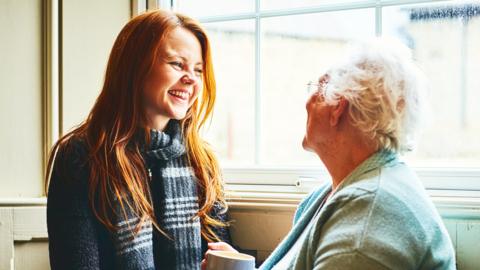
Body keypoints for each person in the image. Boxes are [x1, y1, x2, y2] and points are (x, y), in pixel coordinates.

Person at [203, 38, 456, 269]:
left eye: (317, 86)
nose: (307, 101)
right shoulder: (348, 189)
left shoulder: (368, 216)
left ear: (338, 107)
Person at [46, 9, 230, 270]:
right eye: (177, 64)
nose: (191, 79)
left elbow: (219, 253)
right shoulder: (81, 156)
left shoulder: (203, 161)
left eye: (198, 70)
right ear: (135, 66)